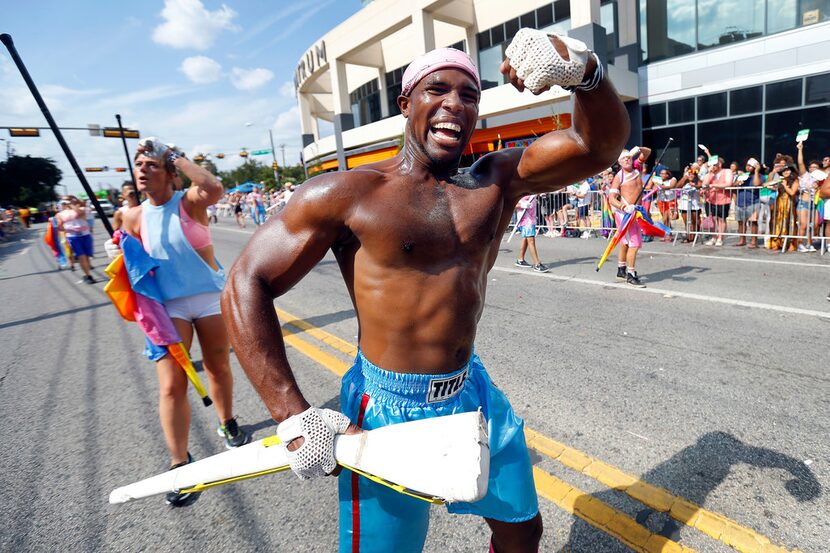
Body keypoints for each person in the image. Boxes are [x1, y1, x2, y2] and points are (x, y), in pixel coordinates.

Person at [222, 30, 627, 553]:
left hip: (469, 392)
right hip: (386, 407)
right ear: (406, 103)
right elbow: (244, 282)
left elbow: (598, 146)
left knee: (523, 533)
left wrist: (584, 73)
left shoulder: (496, 181)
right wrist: (292, 414)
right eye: (438, 90)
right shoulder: (350, 194)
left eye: (469, 95)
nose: (454, 105)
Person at [109, 137, 251, 507]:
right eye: (139, 166)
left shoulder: (188, 201)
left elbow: (213, 186)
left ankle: (227, 421)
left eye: (151, 165)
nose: (143, 170)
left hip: (208, 297)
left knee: (218, 366)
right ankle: (179, 464)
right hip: (167, 307)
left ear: (171, 174)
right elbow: (134, 261)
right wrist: (120, 248)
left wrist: (171, 154)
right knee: (172, 386)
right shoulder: (133, 215)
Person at [608, 148, 648, 287]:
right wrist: (624, 207)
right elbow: (611, 199)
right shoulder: (620, 176)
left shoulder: (637, 166)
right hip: (625, 214)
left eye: (628, 157)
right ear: (619, 162)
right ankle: (631, 275)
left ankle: (621, 270)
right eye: (623, 158)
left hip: (635, 212)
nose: (626, 159)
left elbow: (647, 152)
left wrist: (636, 151)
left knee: (625, 242)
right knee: (634, 244)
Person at [56, 196, 95, 284]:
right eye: (65, 202)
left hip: (85, 235)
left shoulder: (82, 209)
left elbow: (81, 214)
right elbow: (60, 227)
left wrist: (73, 203)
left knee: (88, 256)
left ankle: (87, 273)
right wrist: (66, 228)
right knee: (82, 256)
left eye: (69, 201)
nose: (67, 203)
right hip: (73, 237)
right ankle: (88, 275)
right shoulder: (60, 214)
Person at [702, 156, 733, 246]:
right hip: (710, 199)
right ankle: (714, 237)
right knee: (712, 219)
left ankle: (720, 238)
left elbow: (728, 183)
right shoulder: (710, 174)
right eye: (711, 165)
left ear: (719, 164)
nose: (713, 167)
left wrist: (713, 185)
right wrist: (710, 174)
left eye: (715, 165)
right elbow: (705, 184)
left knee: (721, 219)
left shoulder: (727, 171)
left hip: (723, 199)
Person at [513, 194, 549, 272]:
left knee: (525, 239)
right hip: (526, 220)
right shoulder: (520, 190)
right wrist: (522, 204)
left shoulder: (531, 190)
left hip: (531, 219)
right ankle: (537, 264)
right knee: (531, 240)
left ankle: (520, 259)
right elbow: (513, 204)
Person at [796, 142, 821, 252]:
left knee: (814, 225)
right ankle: (800, 244)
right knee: (804, 225)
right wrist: (800, 149)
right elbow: (800, 163)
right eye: (811, 167)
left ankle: (809, 244)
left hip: (814, 204)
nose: (812, 169)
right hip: (804, 202)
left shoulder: (821, 178)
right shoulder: (805, 175)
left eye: (815, 167)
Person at [734, 158, 763, 248]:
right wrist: (737, 182)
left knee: (753, 222)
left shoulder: (759, 176)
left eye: (751, 166)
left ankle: (754, 241)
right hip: (740, 202)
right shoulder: (742, 175)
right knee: (741, 222)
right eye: (747, 165)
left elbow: (756, 184)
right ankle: (742, 240)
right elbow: (733, 184)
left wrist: (757, 172)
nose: (748, 167)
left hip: (753, 202)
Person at [768, 163, 798, 251]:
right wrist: (773, 182)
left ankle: (791, 243)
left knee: (789, 222)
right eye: (784, 171)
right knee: (777, 222)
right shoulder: (780, 180)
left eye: (787, 170)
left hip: (789, 203)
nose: (785, 172)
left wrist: (784, 185)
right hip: (779, 203)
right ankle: (776, 242)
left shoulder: (795, 181)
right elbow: (766, 185)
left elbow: (792, 192)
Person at [654, 168, 677, 241]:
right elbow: (653, 187)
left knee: (666, 218)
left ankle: (668, 234)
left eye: (664, 173)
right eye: (661, 173)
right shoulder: (658, 180)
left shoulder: (673, 179)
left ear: (668, 174)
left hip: (670, 200)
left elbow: (671, 186)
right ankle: (668, 234)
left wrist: (661, 186)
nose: (663, 175)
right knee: (665, 220)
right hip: (661, 200)